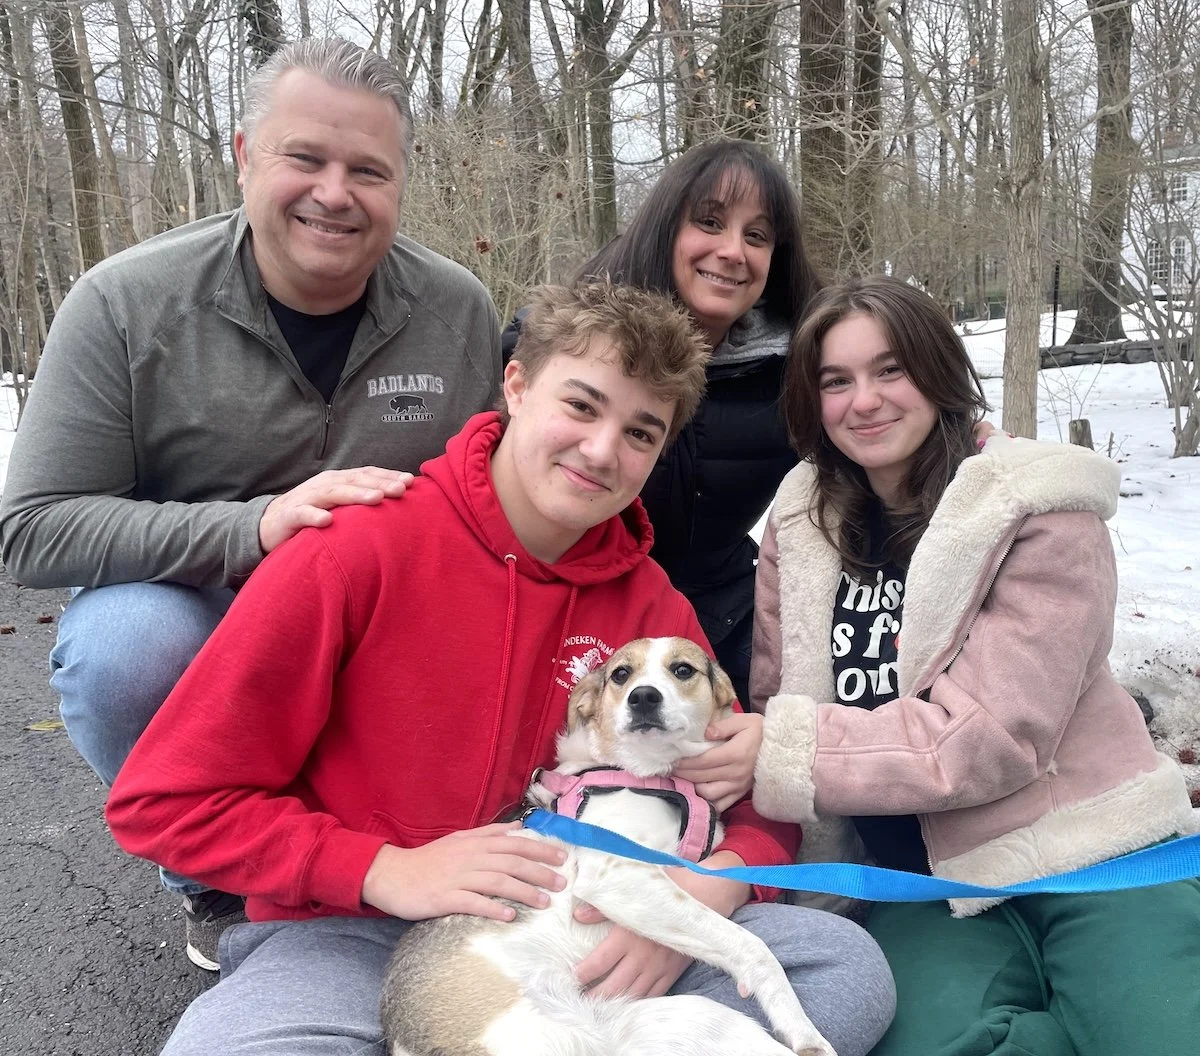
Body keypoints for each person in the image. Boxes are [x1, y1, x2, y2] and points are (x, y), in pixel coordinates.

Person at [103, 281, 896, 1056]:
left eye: (640, 433)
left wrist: (710, 890)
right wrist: (382, 868)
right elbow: (163, 803)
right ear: (516, 386)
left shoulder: (652, 614)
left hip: (586, 928)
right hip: (346, 929)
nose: (601, 450)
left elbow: (751, 795)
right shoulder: (352, 552)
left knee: (841, 971)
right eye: (580, 406)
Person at [0, 38, 502, 968]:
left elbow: (486, 494)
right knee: (123, 650)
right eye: (304, 157)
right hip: (196, 607)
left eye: (368, 170)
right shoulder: (124, 303)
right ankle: (214, 876)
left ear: (400, 182)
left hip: (374, 614)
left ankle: (379, 841)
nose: (334, 193)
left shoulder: (455, 308)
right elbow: (33, 529)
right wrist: (256, 527)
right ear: (243, 155)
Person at [738, 275, 1199, 1055]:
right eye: (836, 381)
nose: (864, 401)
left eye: (890, 369)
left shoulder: (1038, 503)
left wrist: (782, 752)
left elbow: (991, 738)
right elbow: (775, 693)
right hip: (917, 882)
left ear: (937, 370)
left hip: (1083, 851)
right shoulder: (802, 517)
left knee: (1161, 1035)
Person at [504, 139, 821, 706]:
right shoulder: (563, 347)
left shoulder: (795, 366)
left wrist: (962, 442)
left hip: (722, 623)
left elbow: (872, 432)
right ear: (665, 228)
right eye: (709, 222)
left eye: (757, 236)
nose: (733, 251)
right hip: (573, 616)